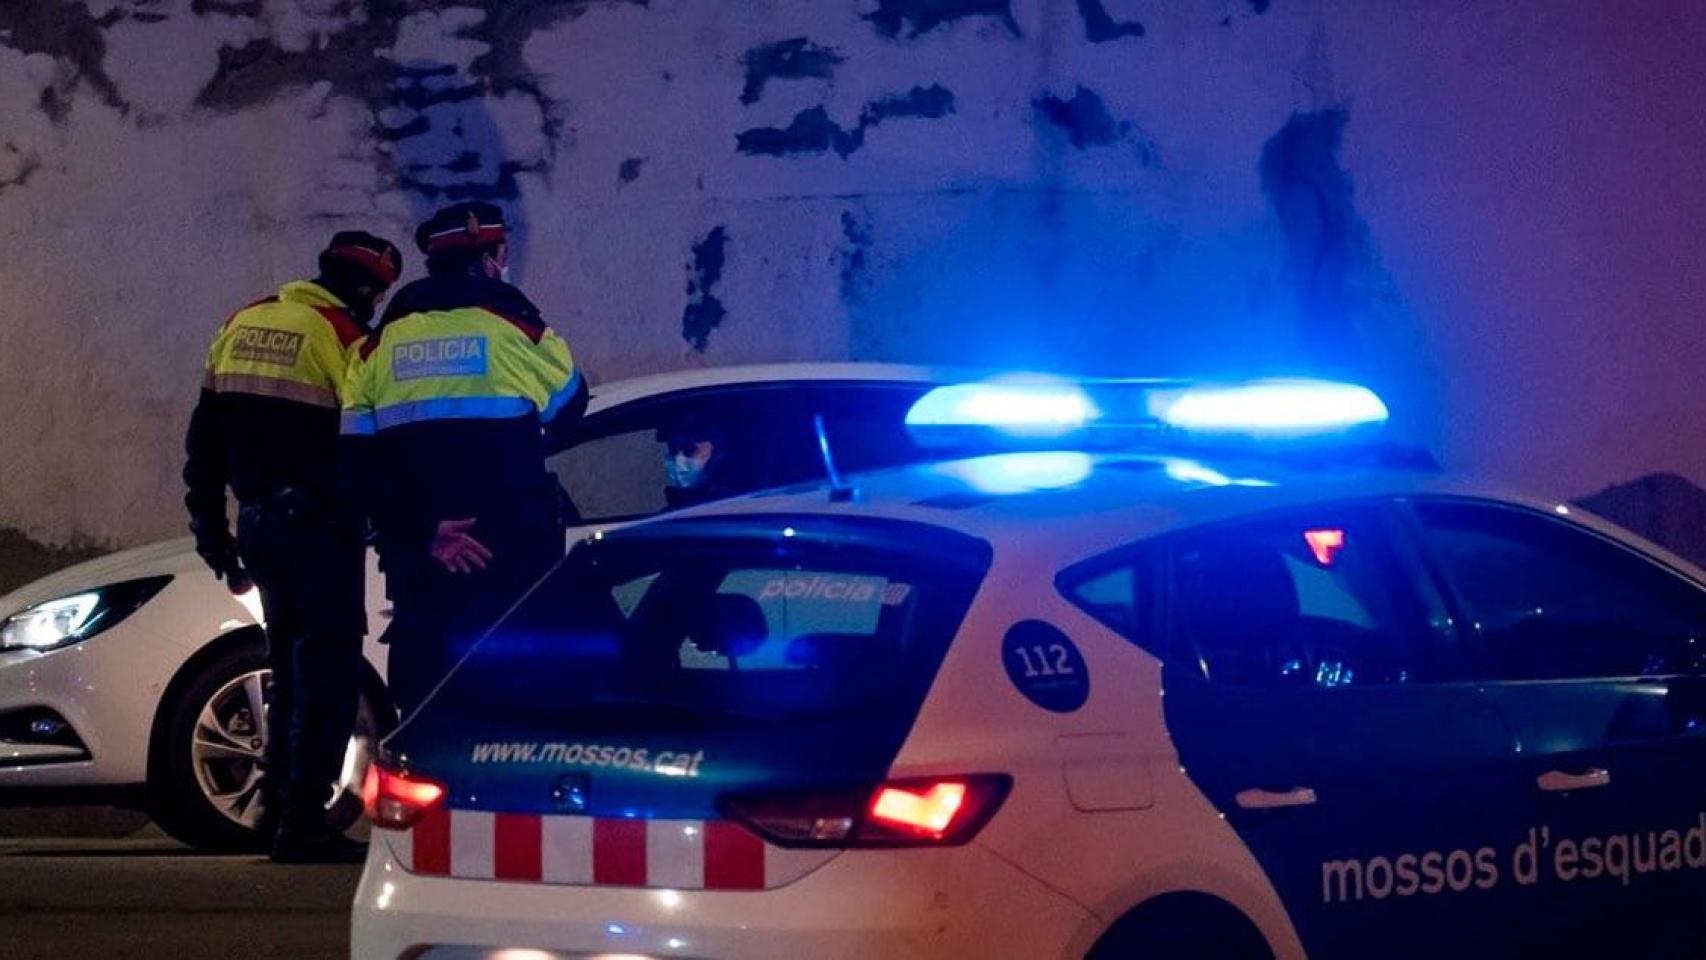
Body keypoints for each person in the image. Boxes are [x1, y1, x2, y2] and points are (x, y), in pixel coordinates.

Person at [184, 231, 402, 863]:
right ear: (365, 287)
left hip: (258, 530)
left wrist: (213, 536)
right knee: (327, 680)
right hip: (321, 531)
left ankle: (274, 810)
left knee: (286, 672)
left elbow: (203, 444)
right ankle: (301, 822)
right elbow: (366, 446)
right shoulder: (344, 338)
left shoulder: (240, 322)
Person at [341, 202, 587, 718]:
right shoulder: (516, 332)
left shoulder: (375, 348)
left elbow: (356, 466)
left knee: (425, 721)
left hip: (420, 574)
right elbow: (571, 409)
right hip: (510, 569)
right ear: (492, 260)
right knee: (513, 719)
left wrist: (427, 531)